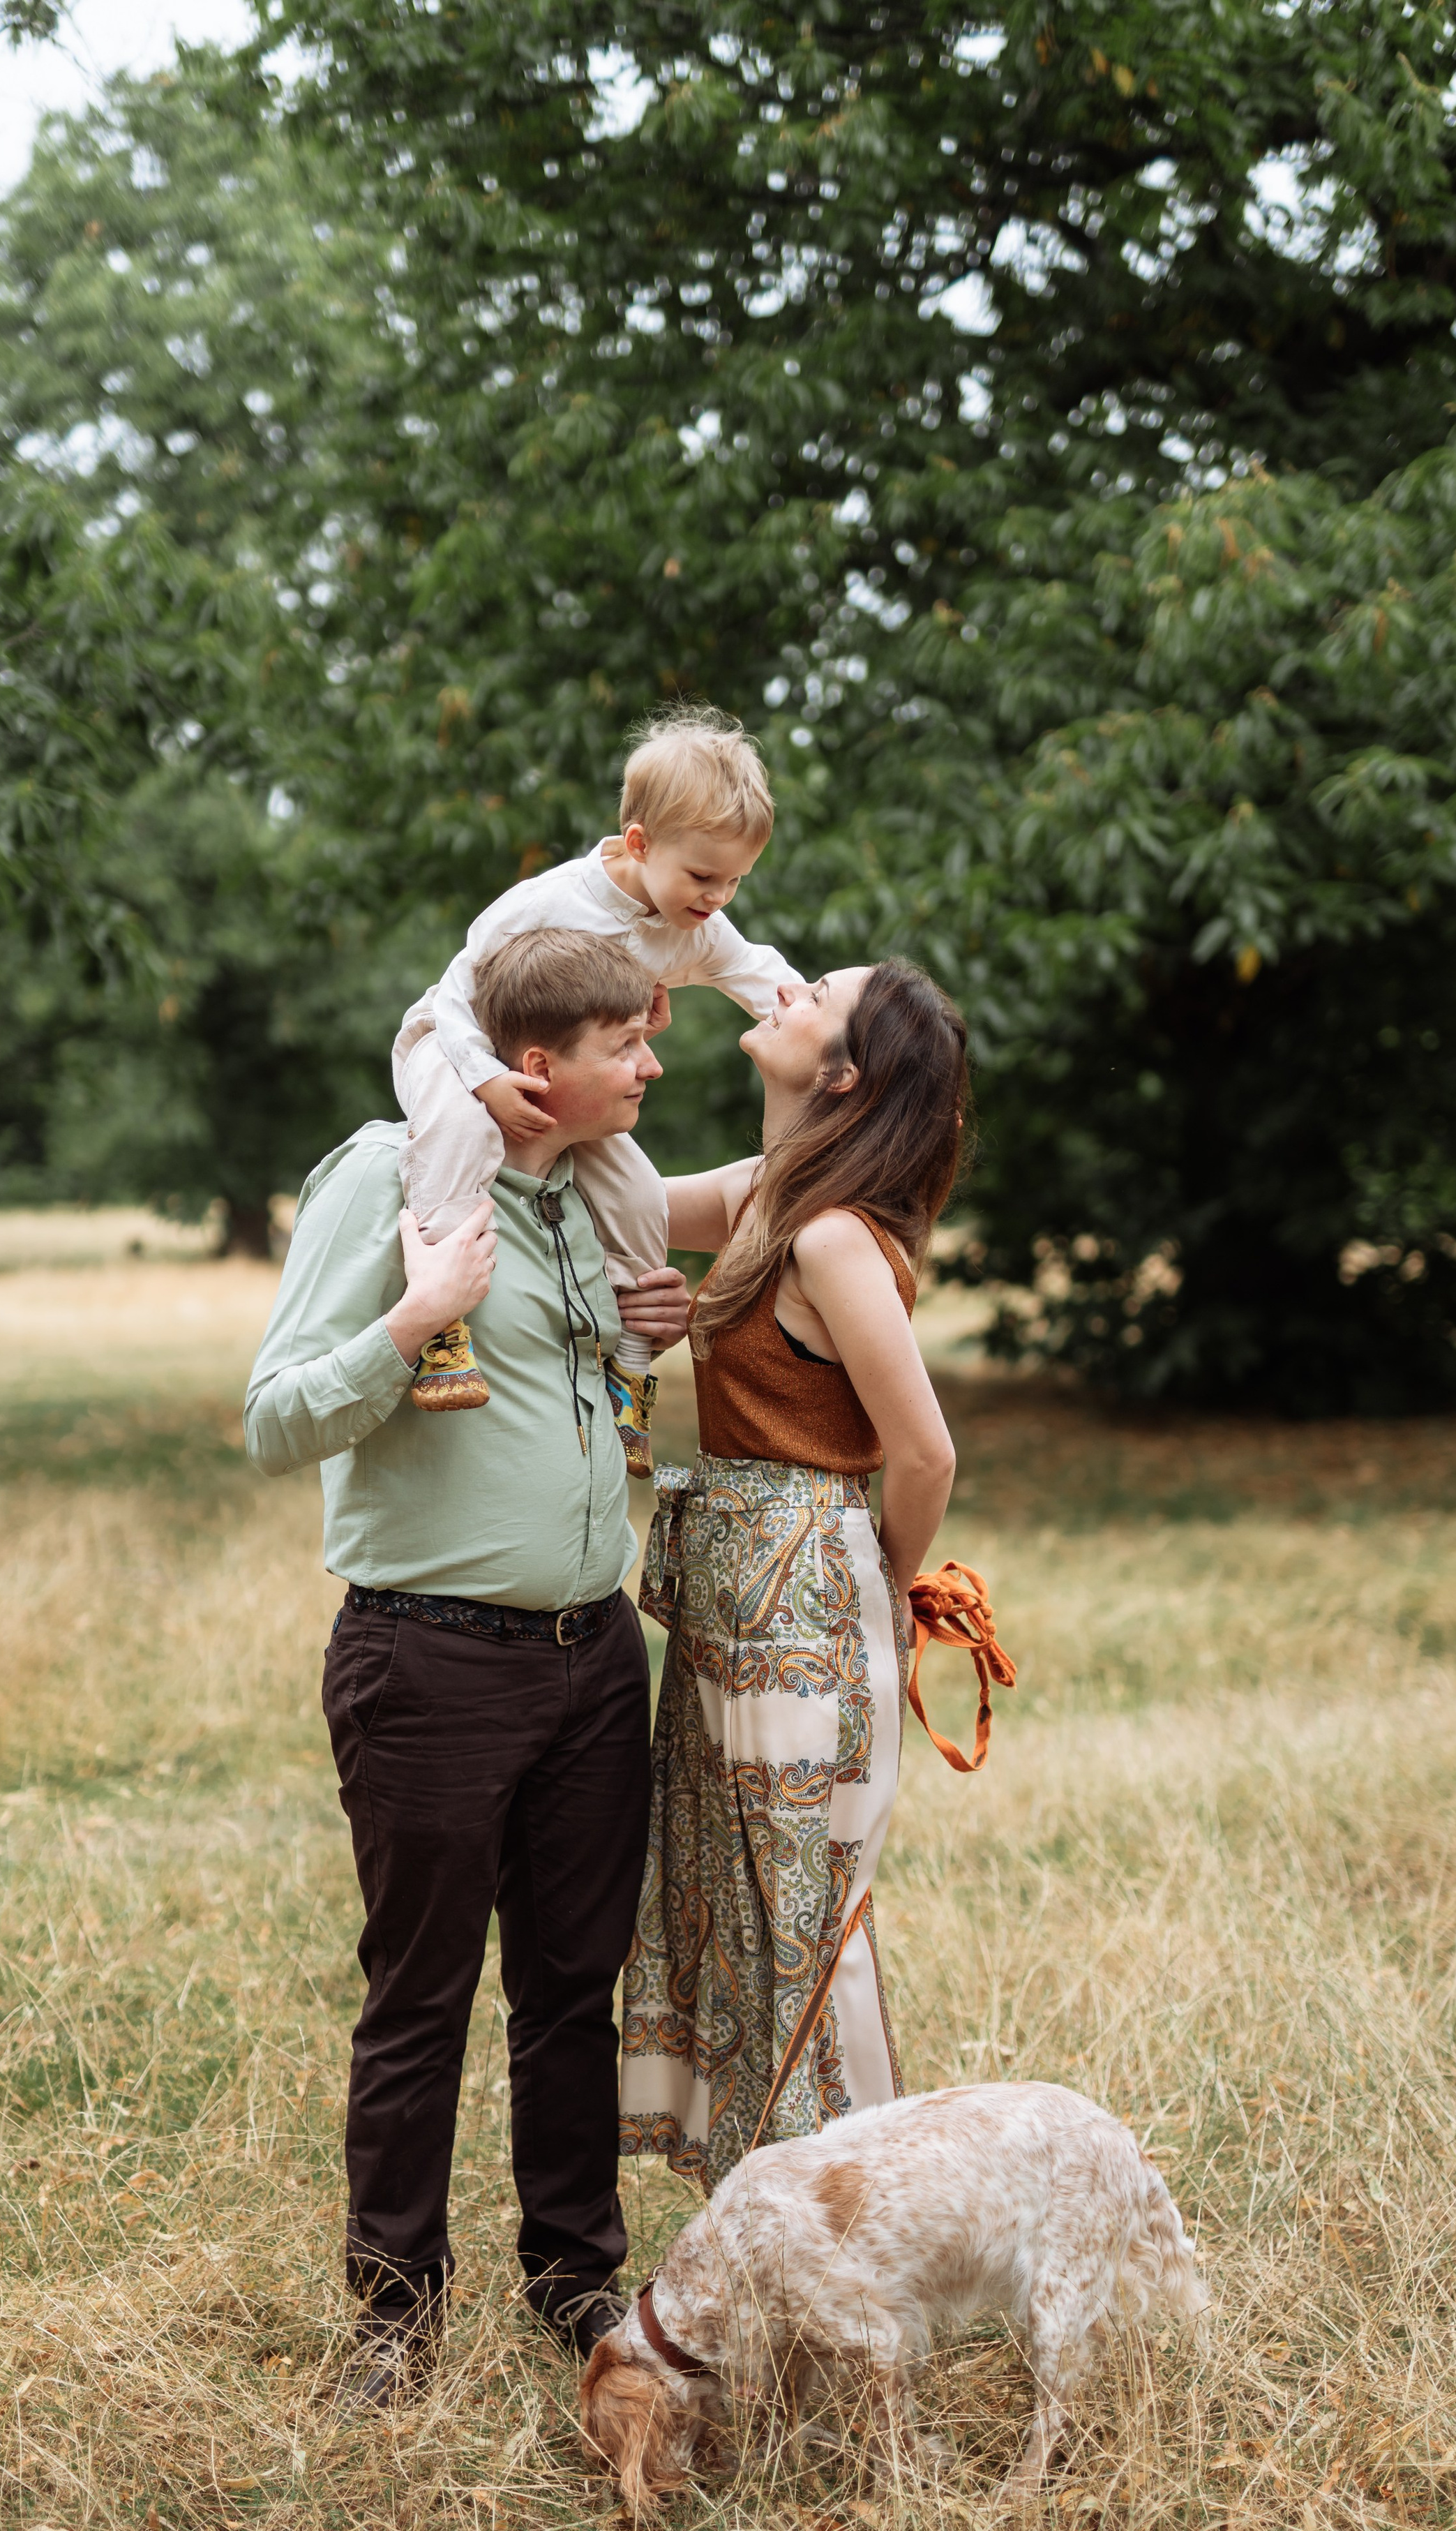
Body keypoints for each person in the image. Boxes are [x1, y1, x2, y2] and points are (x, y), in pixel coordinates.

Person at [245, 928, 691, 2402]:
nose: (650, 1063)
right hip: (428, 1659)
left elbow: (596, 1397)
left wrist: (647, 1349)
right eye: (625, 1043)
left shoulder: (589, 1201)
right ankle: (393, 2317)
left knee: (573, 1991)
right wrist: (415, 1319)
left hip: (591, 1659)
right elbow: (273, 1419)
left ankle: (574, 2283)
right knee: (419, 1994)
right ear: (532, 1065)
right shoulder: (388, 1175)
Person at [620, 959, 968, 2194]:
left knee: (802, 1922)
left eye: (813, 988)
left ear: (843, 1074)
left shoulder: (828, 1236)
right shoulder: (773, 1194)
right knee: (733, 1893)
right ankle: (767, 2210)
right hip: (733, 1596)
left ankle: (856, 2222)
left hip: (803, 1597)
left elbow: (924, 1448)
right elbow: (629, 1196)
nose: (780, 983)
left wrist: (875, 1574)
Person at [389, 705, 809, 1474]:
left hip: (562, 1079)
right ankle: (443, 1327)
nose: (718, 898)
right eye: (703, 876)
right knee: (464, 1133)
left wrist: (848, 1045)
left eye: (737, 881)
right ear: (640, 843)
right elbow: (455, 991)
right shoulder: (552, 901)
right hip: (458, 1046)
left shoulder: (696, 929)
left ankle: (629, 1374)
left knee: (640, 1195)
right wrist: (484, 1078)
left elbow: (769, 982)